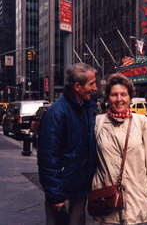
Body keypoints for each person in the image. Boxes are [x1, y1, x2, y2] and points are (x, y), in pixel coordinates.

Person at [91, 73, 147, 224]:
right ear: (107, 98)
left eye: (123, 94)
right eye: (114, 94)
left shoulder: (142, 123)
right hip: (106, 198)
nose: (119, 99)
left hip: (136, 196)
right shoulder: (97, 123)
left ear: (130, 98)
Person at [37, 63, 98, 225]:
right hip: (61, 189)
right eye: (91, 83)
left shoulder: (87, 107)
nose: (95, 88)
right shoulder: (56, 113)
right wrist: (55, 194)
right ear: (77, 86)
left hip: (80, 187)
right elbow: (48, 157)